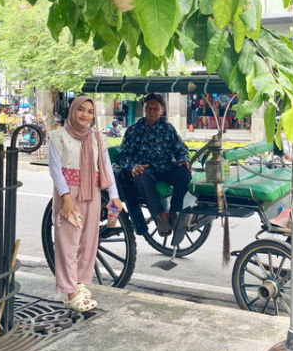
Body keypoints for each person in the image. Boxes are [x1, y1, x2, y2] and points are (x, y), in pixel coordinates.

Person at [48, 96, 122, 312]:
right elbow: (55, 170)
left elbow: (105, 168)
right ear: (72, 111)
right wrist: (66, 198)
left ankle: (80, 284)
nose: (85, 115)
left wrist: (114, 196)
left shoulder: (97, 138)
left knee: (88, 242)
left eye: (90, 111)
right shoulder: (58, 136)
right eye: (81, 110)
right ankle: (70, 292)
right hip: (69, 195)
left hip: (93, 193)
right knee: (67, 243)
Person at [116, 94, 191, 236]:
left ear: (162, 111)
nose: (151, 111)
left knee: (184, 172)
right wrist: (133, 166)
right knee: (140, 176)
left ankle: (174, 212)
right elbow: (122, 155)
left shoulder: (168, 128)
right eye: (148, 108)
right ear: (144, 109)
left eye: (155, 108)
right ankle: (162, 216)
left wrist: (182, 159)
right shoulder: (134, 130)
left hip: (166, 167)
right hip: (144, 170)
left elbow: (181, 149)